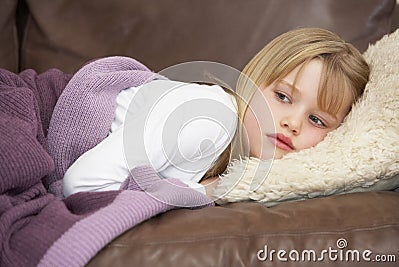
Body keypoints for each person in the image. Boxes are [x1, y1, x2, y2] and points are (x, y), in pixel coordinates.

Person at [62, 27, 369, 198]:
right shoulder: (211, 118)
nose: (293, 123)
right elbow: (82, 184)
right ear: (253, 81)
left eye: (317, 120)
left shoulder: (240, 167)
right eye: (282, 96)